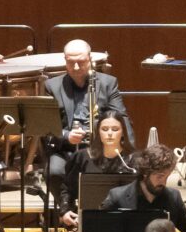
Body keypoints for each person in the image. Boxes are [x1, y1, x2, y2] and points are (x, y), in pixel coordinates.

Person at [41, 40, 133, 200]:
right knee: (54, 171)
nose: (76, 67)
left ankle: (100, 209)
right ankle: (67, 212)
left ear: (90, 59)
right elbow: (46, 127)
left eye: (81, 62)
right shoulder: (51, 86)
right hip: (67, 149)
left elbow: (121, 117)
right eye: (71, 62)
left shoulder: (108, 83)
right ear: (65, 60)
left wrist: (128, 150)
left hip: (101, 147)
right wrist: (66, 135)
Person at [54, 111, 133, 227]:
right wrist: (65, 211)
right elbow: (67, 188)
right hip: (90, 221)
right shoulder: (83, 156)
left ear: (123, 133)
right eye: (105, 129)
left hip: (125, 222)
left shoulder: (133, 159)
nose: (110, 133)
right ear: (98, 132)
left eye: (115, 129)